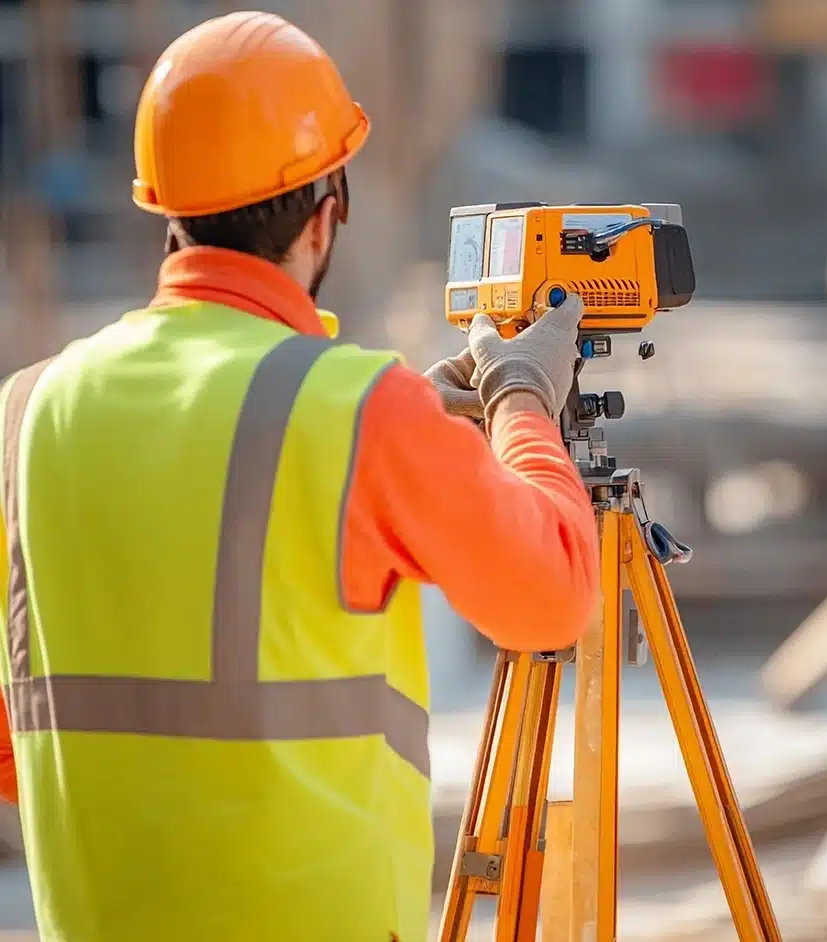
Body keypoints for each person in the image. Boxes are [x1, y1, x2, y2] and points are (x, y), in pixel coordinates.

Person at [0, 11, 599, 942]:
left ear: (165, 208)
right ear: (327, 216)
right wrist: (521, 397)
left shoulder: (28, 412)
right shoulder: (361, 410)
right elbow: (554, 594)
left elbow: (16, 749)